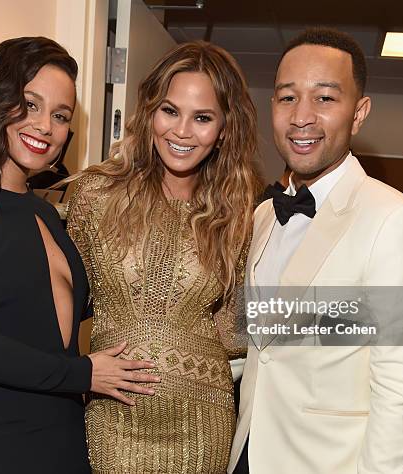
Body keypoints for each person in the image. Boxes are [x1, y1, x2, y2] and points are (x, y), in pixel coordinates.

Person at [0, 36, 158, 474]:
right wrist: (84, 375)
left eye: (60, 115)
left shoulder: (47, 213)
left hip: (62, 432)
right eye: (30, 104)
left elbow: (55, 322)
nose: (45, 126)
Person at [228, 28, 403, 473]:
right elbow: (261, 348)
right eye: (288, 98)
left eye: (325, 99)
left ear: (359, 112)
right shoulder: (264, 214)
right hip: (247, 451)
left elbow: (402, 390)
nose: (301, 117)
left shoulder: (399, 221)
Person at [67, 40, 261, 473]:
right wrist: (75, 372)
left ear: (224, 129)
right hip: (114, 414)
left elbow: (232, 329)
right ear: (150, 110)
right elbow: (61, 307)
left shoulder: (236, 214)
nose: (182, 131)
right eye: (170, 111)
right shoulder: (95, 193)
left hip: (203, 418)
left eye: (203, 118)